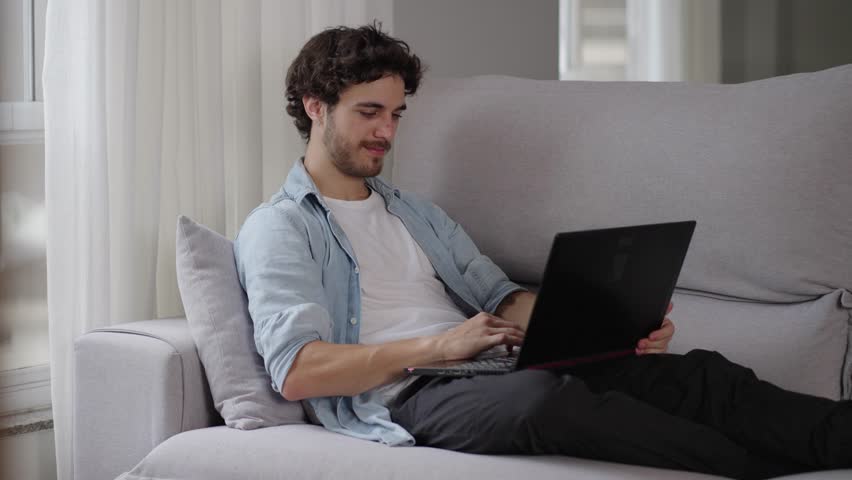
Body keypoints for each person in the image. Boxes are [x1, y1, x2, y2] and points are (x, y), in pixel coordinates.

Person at [234, 23, 850, 480]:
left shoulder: (414, 212)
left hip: (495, 363)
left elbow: (502, 296)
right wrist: (438, 347)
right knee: (546, 404)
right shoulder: (279, 228)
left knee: (700, 374)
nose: (388, 133)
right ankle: (766, 468)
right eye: (369, 113)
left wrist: (606, 322)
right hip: (412, 392)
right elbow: (298, 371)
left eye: (396, 114)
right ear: (316, 107)